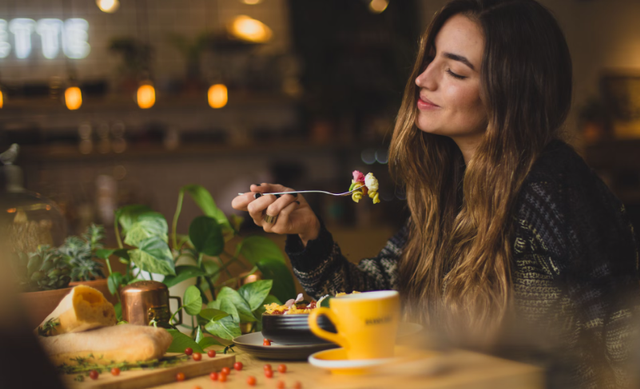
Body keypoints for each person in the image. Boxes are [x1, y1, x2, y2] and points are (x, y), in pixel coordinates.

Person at [232, 0, 640, 387]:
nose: (422, 79)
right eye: (431, 59)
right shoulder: (450, 189)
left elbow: (622, 336)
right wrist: (309, 233)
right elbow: (377, 301)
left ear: (511, 92)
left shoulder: (552, 186)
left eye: (456, 72)